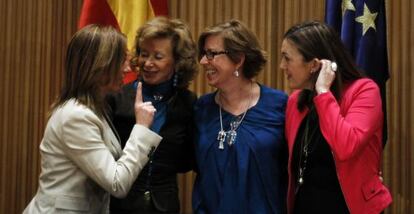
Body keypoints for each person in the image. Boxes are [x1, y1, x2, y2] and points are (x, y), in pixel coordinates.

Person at [23, 25, 162, 213]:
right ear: (102, 66)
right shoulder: (76, 116)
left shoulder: (96, 108)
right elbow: (117, 183)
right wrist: (142, 128)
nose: (128, 68)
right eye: (122, 61)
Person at [280, 21, 392, 214]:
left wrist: (323, 92)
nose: (282, 66)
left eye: (287, 58)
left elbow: (346, 146)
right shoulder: (295, 101)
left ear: (314, 65)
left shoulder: (364, 91)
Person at [192, 19, 288, 213]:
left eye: (211, 54)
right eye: (203, 54)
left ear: (238, 59)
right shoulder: (201, 108)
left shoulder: (279, 105)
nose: (203, 61)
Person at [107, 17, 198, 214]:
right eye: (144, 54)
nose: (147, 63)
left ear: (177, 61)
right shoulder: (117, 97)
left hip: (164, 205)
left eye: (158, 56)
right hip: (118, 205)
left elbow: (187, 160)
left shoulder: (187, 103)